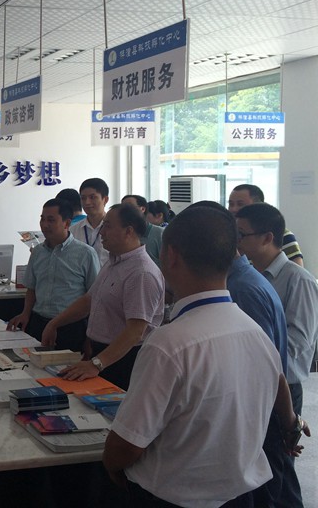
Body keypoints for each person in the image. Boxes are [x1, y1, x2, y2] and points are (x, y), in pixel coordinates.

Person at [103, 206, 308, 508]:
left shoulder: (168, 344)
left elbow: (128, 444)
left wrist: (111, 464)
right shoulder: (254, 332)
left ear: (171, 256)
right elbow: (278, 382)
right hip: (241, 496)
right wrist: (292, 424)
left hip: (173, 499)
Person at [190, 201, 296, 507]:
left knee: (265, 492)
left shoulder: (241, 288)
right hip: (258, 411)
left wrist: (289, 419)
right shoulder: (243, 279)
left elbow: (262, 365)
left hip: (256, 414)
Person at [42, 204, 164, 391]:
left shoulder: (142, 273)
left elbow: (135, 332)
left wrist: (97, 364)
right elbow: (89, 300)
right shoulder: (114, 262)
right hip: (101, 355)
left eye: (107, 226)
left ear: (128, 231)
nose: (101, 232)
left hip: (124, 359)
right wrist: (54, 323)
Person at [236, 203, 318, 419]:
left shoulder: (299, 279)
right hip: (252, 380)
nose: (236, 241)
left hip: (283, 388)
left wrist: (252, 354)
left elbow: (298, 342)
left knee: (277, 441)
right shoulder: (249, 275)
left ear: (267, 238)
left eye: (242, 234)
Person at [7, 199, 99, 350]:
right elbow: (32, 288)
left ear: (66, 223)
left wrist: (91, 337)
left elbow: (94, 297)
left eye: (51, 220)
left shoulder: (86, 254)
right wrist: (25, 314)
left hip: (71, 327)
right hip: (38, 323)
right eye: (42, 219)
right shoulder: (37, 252)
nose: (44, 225)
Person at [228, 183, 304, 266]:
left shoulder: (283, 234)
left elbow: (295, 268)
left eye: (240, 204)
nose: (233, 209)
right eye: (231, 204)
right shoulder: (228, 234)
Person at [70, 178, 110, 266]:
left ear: (105, 199)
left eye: (92, 197)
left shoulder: (115, 229)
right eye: (83, 198)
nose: (87, 202)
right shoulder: (72, 231)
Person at [121, 194, 163, 266]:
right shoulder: (123, 233)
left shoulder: (160, 233)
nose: (125, 211)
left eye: (129, 206)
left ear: (142, 209)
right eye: (122, 208)